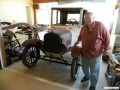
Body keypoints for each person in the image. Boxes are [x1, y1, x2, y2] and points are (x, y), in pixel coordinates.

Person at [74, 12, 110, 90]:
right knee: (84, 68)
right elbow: (80, 36)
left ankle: (93, 84)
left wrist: (106, 49)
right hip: (85, 53)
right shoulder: (84, 27)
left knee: (94, 71)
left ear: (94, 18)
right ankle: (87, 76)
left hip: (96, 54)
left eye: (89, 18)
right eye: (85, 19)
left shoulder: (100, 26)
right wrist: (77, 41)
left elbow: (107, 37)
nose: (87, 20)